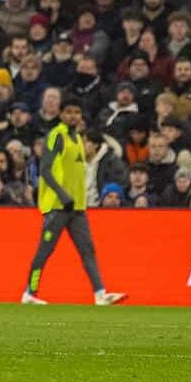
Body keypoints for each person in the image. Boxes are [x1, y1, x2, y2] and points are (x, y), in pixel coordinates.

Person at [21, 95, 126, 306]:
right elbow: (45, 170)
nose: (73, 116)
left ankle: (100, 294)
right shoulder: (56, 136)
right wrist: (62, 195)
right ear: (61, 114)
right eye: (68, 112)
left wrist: (77, 199)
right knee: (45, 250)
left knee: (87, 249)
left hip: (76, 207)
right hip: (58, 206)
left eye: (77, 112)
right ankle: (29, 292)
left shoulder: (77, 138)